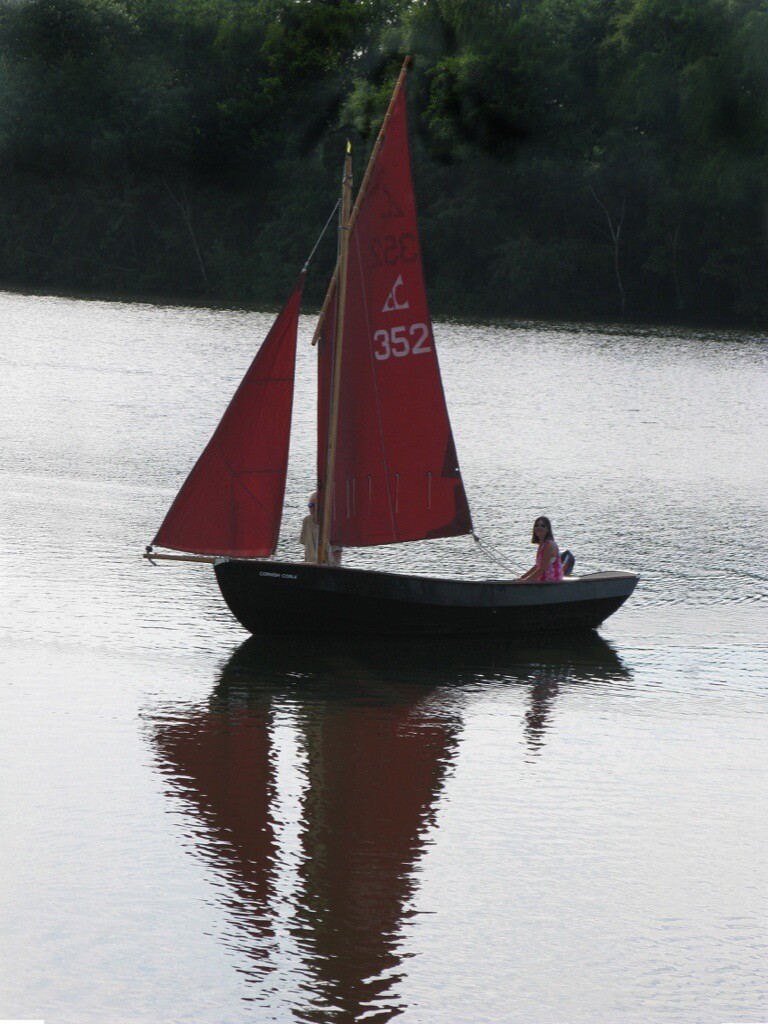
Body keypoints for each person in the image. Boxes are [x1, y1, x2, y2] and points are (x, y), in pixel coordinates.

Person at [516, 516, 564, 582]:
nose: (539, 528)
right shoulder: (542, 545)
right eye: (537, 525)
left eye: (543, 526)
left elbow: (542, 568)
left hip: (552, 582)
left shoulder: (549, 544)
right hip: (542, 582)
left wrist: (526, 581)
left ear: (547, 529)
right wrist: (523, 577)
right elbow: (537, 566)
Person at [299, 491, 342, 565]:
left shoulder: (332, 524)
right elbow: (306, 548)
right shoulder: (307, 521)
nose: (312, 508)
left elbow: (337, 552)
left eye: (314, 505)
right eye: (310, 505)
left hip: (328, 567)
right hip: (310, 565)